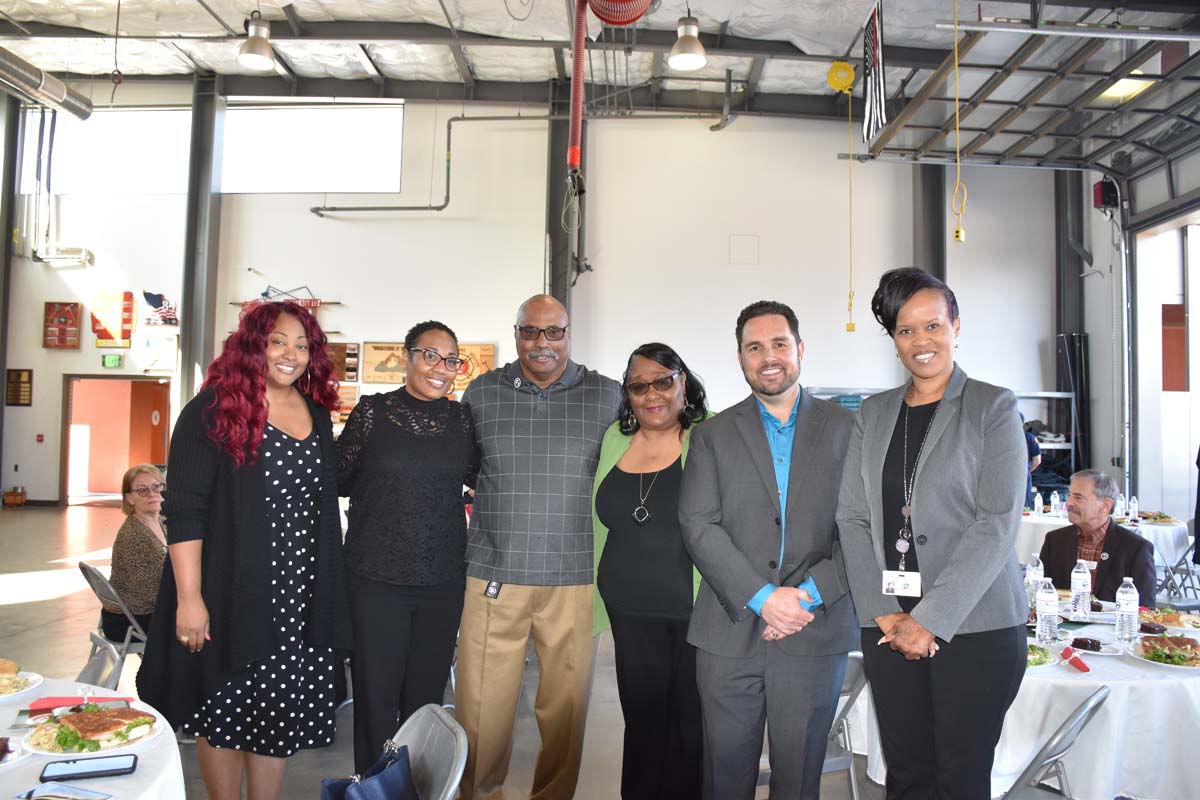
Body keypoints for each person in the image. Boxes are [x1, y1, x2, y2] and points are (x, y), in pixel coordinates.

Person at [137, 301, 351, 800]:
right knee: (225, 707)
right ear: (253, 344)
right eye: (278, 341)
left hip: (298, 595)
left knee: (276, 709)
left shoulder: (315, 414)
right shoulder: (213, 409)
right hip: (231, 587)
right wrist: (190, 598)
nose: (290, 354)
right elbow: (186, 511)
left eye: (302, 345)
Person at [837, 268, 1028, 800]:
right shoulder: (872, 414)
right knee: (907, 776)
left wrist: (931, 621)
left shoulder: (993, 406)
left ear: (956, 326)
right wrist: (883, 610)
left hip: (976, 629)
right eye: (905, 330)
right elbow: (851, 517)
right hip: (888, 625)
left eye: (933, 326)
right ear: (893, 339)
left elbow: (997, 522)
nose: (921, 342)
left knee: (959, 781)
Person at [678, 300, 857, 800]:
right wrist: (763, 596)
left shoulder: (848, 430)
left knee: (799, 780)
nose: (769, 356)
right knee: (724, 777)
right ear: (741, 359)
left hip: (813, 631)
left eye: (779, 343)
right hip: (728, 632)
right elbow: (698, 525)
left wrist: (804, 597)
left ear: (800, 349)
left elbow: (862, 531)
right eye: (754, 347)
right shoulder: (712, 435)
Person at [455, 294, 620, 800]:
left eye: (554, 332)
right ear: (517, 333)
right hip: (492, 575)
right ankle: (479, 794)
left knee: (566, 711)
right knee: (481, 708)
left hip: (575, 579)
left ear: (570, 333)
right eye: (530, 332)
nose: (542, 343)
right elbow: (462, 471)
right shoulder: (481, 393)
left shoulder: (609, 396)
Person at [337, 320, 478, 774]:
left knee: (426, 705)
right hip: (375, 580)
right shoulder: (372, 414)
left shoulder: (461, 420)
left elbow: (479, 481)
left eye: (451, 359)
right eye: (431, 355)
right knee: (376, 702)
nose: (441, 367)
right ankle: (374, 788)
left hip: (441, 581)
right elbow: (337, 479)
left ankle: (416, 787)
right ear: (407, 357)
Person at [592, 343, 708, 800]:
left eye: (663, 381)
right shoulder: (614, 439)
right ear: (628, 394)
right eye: (639, 386)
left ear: (684, 382)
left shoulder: (711, 434)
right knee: (641, 722)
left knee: (689, 726)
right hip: (627, 611)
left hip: (693, 611)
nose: (652, 394)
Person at [1039, 469, 1156, 606]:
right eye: (1069, 495)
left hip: (1113, 625)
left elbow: (1145, 607)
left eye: (1078, 497)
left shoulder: (1135, 548)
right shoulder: (1055, 540)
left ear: (1106, 505)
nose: (1069, 503)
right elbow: (1041, 590)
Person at [103, 464, 167, 642]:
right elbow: (152, 595)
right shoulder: (134, 535)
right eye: (142, 490)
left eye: (157, 487)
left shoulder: (161, 522)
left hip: (139, 613)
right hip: (129, 621)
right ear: (129, 498)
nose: (152, 494)